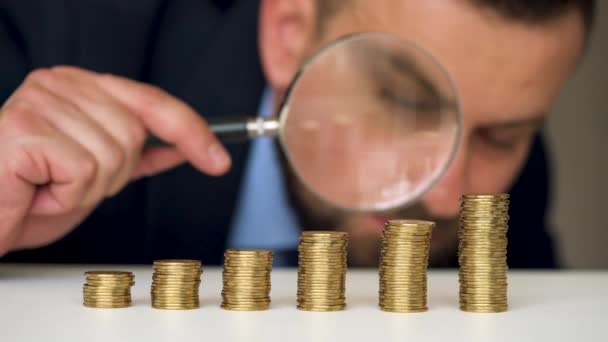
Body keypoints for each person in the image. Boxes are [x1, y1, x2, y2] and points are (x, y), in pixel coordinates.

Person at [0, 0, 595, 267]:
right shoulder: (54, 36)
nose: (447, 197)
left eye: (503, 136)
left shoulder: (507, 183)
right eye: (406, 105)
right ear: (290, 32)